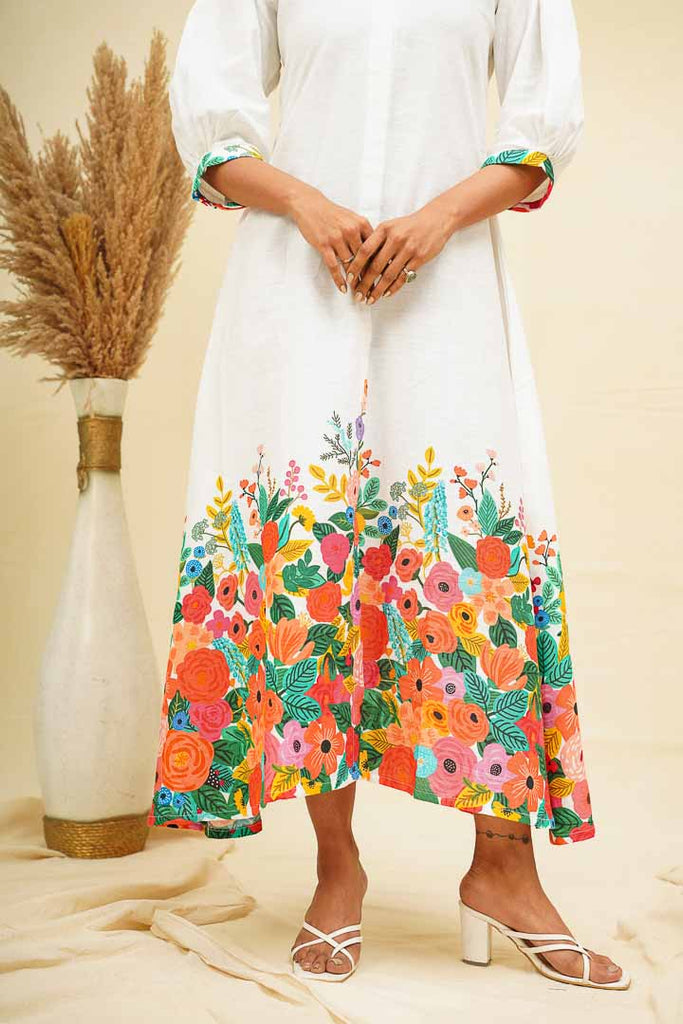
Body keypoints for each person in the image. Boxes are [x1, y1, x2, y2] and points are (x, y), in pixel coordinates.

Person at [148, 0, 628, 990]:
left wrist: (437, 217)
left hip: (445, 284)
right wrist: (306, 204)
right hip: (296, 282)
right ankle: (337, 870)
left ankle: (503, 872)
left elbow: (541, 128)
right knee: (314, 550)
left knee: (470, 541)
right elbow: (211, 122)